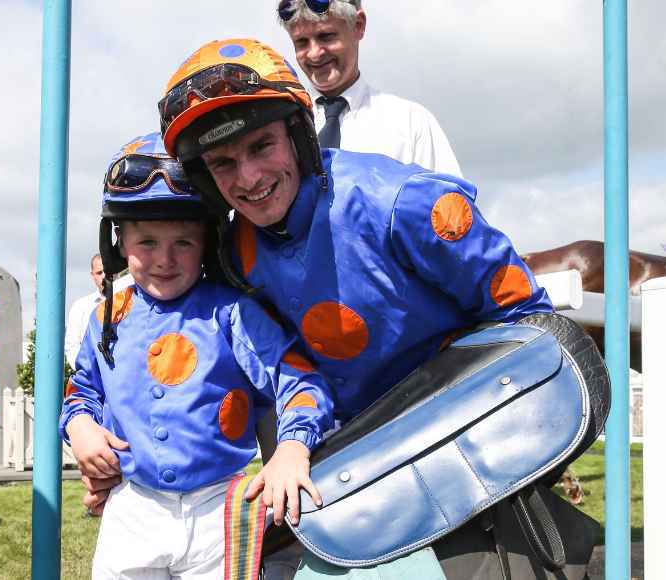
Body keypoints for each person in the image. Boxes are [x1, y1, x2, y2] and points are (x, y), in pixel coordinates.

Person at [156, 38, 554, 578]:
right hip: (350, 463)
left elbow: (532, 327)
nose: (247, 178)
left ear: (298, 136)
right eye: (223, 163)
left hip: (470, 442)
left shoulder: (409, 206)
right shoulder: (235, 253)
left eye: (261, 147)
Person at [60, 132, 335, 579]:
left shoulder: (233, 314)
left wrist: (291, 447)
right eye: (146, 243)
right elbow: (82, 392)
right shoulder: (106, 318)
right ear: (118, 244)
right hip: (132, 507)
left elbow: (298, 378)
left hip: (219, 511)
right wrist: (80, 426)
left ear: (206, 243)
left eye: (183, 243)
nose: (164, 259)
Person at [277, 0, 462, 176]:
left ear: (358, 25)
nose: (314, 53)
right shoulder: (279, 126)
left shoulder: (411, 124)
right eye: (301, 42)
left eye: (326, 36)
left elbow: (452, 204)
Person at [64, 254, 108, 368]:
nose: (104, 276)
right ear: (92, 275)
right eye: (99, 272)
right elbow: (71, 346)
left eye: (108, 270)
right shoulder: (80, 307)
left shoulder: (130, 301)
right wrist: (87, 371)